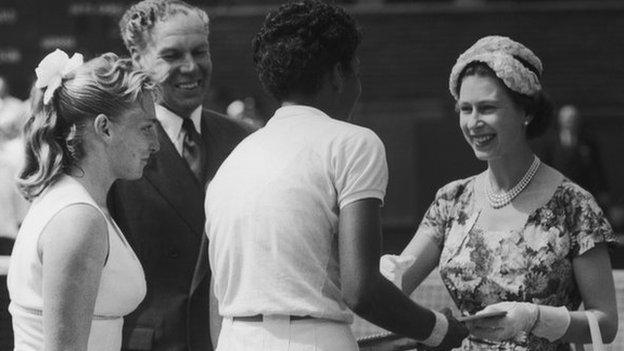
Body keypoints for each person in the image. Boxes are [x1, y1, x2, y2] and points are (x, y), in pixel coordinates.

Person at [204, 1, 468, 350]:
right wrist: (438, 329)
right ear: (337, 75)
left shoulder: (233, 161)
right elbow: (361, 291)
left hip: (233, 338)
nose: (357, 83)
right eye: (355, 70)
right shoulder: (354, 143)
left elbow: (216, 300)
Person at [380, 36, 618, 350]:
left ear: (525, 112)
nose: (474, 122)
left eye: (487, 108)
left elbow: (606, 323)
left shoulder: (574, 205)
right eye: (465, 109)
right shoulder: (452, 201)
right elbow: (391, 288)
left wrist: (535, 317)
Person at [109, 1, 252, 350]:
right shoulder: (114, 144)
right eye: (172, 55)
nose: (191, 67)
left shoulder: (245, 140)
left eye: (200, 51)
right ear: (137, 58)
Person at [7, 49, 158, 350]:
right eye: (146, 128)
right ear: (104, 128)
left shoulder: (69, 202)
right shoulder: (78, 219)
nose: (155, 144)